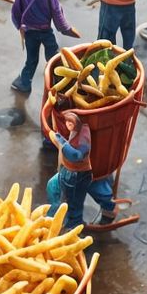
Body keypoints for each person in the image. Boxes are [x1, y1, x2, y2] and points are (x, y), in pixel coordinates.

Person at [47, 96, 118, 230]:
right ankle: (55, 217)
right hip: (96, 162)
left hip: (81, 171)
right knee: (54, 186)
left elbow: (77, 155)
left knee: (77, 197)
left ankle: (74, 225)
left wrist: (59, 140)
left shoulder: (84, 131)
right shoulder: (77, 127)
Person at [11, 0, 75, 94]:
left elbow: (16, 9)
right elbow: (56, 11)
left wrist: (19, 25)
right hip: (46, 31)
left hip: (29, 32)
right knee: (53, 56)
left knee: (31, 59)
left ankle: (24, 83)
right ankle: (60, 82)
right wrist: (66, 28)